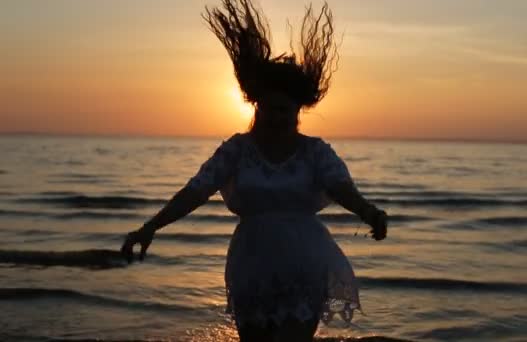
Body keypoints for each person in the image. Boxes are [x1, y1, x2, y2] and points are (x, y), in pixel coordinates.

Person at [120, 0, 388, 341]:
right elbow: (196, 190)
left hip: (304, 262)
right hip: (252, 263)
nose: (276, 117)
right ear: (257, 107)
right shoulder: (236, 150)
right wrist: (150, 227)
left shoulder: (315, 151)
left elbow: (341, 188)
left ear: (298, 111)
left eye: (284, 110)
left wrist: (369, 212)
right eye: (269, 109)